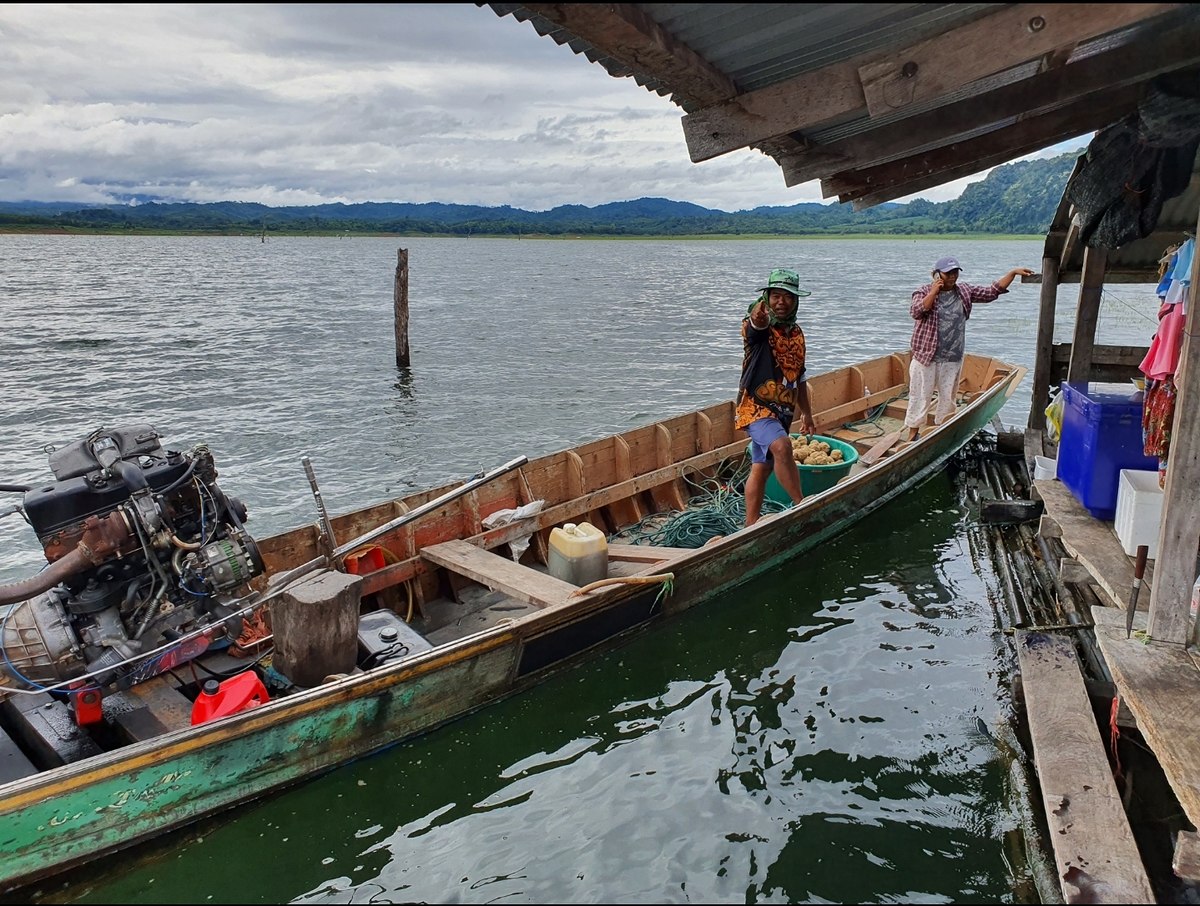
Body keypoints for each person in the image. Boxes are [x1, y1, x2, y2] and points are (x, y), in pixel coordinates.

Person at [905, 255, 1034, 441]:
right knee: (920, 396)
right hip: (926, 356)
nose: (952, 277)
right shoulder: (923, 291)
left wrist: (1012, 273)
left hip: (952, 357)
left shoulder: (963, 291)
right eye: (948, 273)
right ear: (937, 274)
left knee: (948, 397)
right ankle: (912, 431)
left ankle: (942, 428)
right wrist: (933, 292)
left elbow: (991, 292)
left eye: (955, 272)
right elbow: (917, 311)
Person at [735, 267, 816, 527]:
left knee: (762, 467)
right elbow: (756, 326)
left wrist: (807, 413)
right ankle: (802, 506)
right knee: (782, 447)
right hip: (755, 409)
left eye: (788, 297)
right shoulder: (758, 328)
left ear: (796, 301)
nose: (781, 302)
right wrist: (758, 317)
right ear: (767, 299)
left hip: (783, 412)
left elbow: (799, 378)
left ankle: (750, 526)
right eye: (775, 296)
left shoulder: (797, 333)